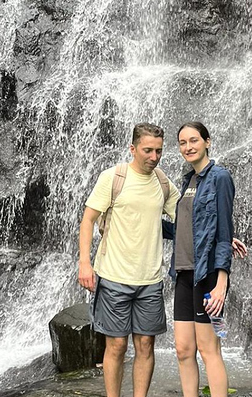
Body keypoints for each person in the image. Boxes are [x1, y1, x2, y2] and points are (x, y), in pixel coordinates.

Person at [78, 122, 180, 397]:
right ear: (132, 149)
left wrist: (222, 237)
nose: (154, 157)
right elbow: (88, 220)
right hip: (113, 276)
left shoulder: (162, 182)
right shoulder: (113, 178)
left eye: (158, 151)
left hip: (150, 280)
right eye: (148, 150)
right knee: (116, 346)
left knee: (146, 344)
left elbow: (189, 218)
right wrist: (84, 263)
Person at [163, 121, 238, 397]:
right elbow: (184, 228)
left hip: (206, 276)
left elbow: (223, 233)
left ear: (207, 141)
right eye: (182, 142)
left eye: (193, 140)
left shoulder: (219, 177)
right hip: (183, 273)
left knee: (208, 349)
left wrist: (221, 282)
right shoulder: (188, 181)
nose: (188, 147)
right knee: (183, 350)